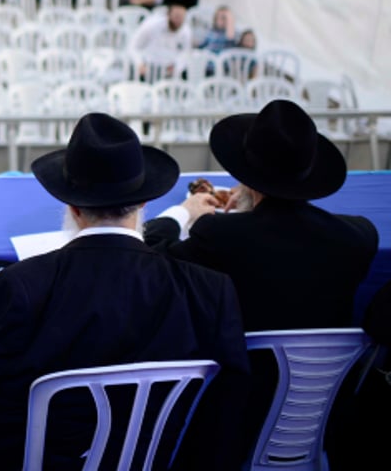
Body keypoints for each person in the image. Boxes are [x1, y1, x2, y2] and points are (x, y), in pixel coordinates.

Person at [0, 113, 249, 470]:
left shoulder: (19, 284)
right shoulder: (209, 290)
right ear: (142, 207)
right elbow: (229, 408)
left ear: (73, 210)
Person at [144, 99, 377, 332]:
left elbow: (151, 259)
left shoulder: (217, 233)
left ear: (248, 179)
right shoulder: (360, 236)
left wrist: (183, 211)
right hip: (334, 366)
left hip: (242, 364)